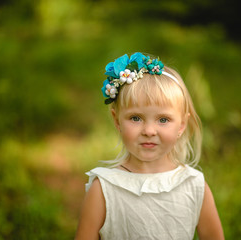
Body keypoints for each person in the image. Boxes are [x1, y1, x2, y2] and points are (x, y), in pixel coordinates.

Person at [75, 52, 224, 240]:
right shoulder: (104, 188)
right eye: (136, 118)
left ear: (181, 125)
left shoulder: (193, 185)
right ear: (117, 120)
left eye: (163, 119)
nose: (149, 130)